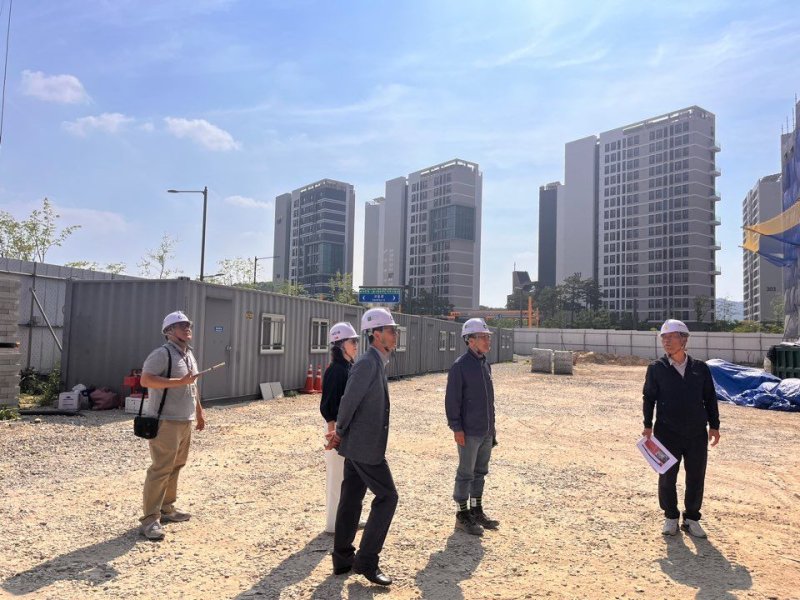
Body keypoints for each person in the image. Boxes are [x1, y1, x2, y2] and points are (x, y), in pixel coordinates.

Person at [329, 307, 399, 587]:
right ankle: (367, 561)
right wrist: (340, 432)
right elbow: (348, 400)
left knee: (351, 497)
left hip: (358, 444)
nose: (395, 335)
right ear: (376, 334)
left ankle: (342, 557)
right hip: (363, 446)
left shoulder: (377, 361)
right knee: (388, 497)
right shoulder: (368, 363)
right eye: (391, 330)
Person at [642, 319, 720, 538]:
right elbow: (649, 398)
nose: (666, 342)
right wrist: (647, 425)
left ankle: (692, 518)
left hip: (696, 432)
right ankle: (670, 516)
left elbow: (710, 398)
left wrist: (714, 425)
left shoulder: (700, 369)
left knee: (696, 475)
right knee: (667, 475)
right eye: (663, 338)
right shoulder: (657, 368)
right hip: (667, 432)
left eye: (671, 337)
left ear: (684, 339)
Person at [138, 310, 206, 541]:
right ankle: (150, 519)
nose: (187, 328)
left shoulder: (188, 355)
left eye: (189, 324)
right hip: (165, 420)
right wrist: (179, 381)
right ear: (169, 331)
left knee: (177, 465)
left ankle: (167, 508)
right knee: (160, 468)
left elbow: (192, 387)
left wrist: (199, 412)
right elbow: (145, 380)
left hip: (184, 419)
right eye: (181, 325)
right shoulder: (162, 354)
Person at [445, 318, 499, 537]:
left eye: (488, 337)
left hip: (485, 430)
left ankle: (476, 510)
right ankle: (462, 515)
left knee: (480, 472)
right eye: (484, 337)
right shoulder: (460, 366)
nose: (488, 341)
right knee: (465, 473)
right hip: (468, 431)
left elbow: (489, 401)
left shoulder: (484, 364)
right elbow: (452, 401)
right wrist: (456, 428)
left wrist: (492, 430)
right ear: (470, 340)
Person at [319, 321, 360, 534]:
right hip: (336, 431)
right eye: (353, 341)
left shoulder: (349, 368)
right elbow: (329, 405)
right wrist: (333, 435)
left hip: (347, 432)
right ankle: (334, 524)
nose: (356, 345)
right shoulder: (336, 371)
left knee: (348, 478)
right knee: (337, 479)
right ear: (341, 344)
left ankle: (347, 520)